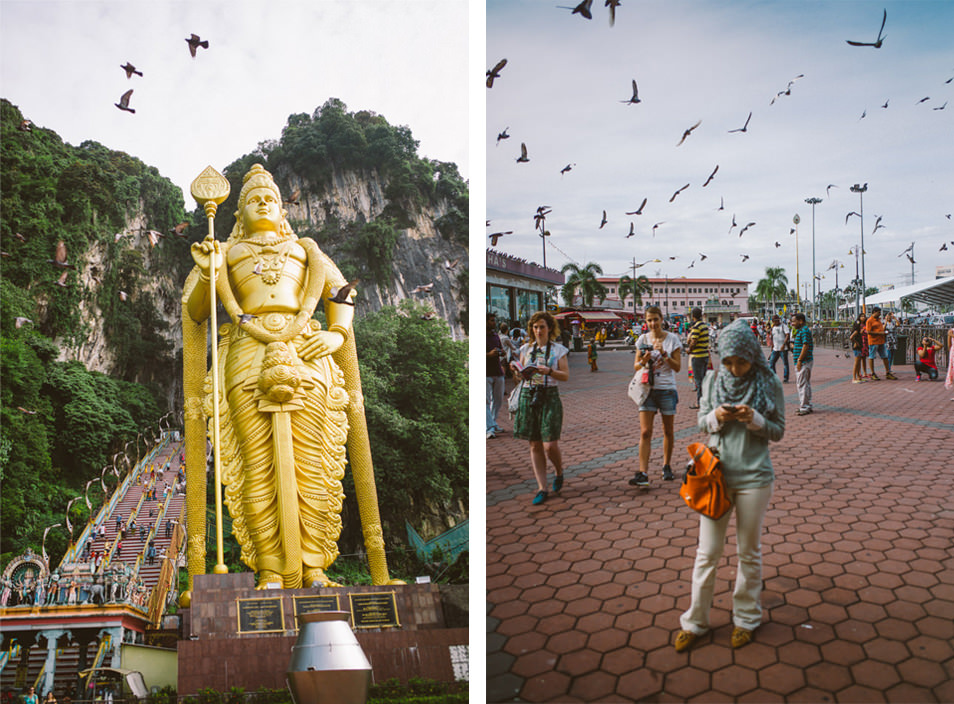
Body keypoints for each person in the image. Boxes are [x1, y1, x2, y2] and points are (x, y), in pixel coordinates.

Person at [185, 163, 395, 589]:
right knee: (256, 462)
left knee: (311, 460)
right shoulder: (224, 253)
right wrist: (209, 271)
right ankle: (269, 570)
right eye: (253, 200)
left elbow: (341, 294)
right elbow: (196, 312)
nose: (263, 203)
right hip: (246, 353)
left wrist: (337, 335)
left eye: (270, 199)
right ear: (238, 214)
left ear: (283, 209)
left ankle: (316, 567)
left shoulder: (305, 250)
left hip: (306, 350)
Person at [675, 319, 785, 652]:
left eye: (741, 361)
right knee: (707, 553)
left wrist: (756, 420)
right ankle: (695, 621)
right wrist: (716, 418)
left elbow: (778, 430)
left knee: (748, 552)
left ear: (752, 354)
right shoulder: (711, 380)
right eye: (728, 361)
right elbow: (701, 420)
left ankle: (747, 618)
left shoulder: (769, 382)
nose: (735, 368)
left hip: (755, 478)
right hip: (717, 477)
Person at [511, 311, 569, 505]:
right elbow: (519, 379)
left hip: (549, 394)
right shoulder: (526, 349)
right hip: (529, 394)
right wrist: (517, 372)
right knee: (534, 443)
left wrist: (549, 371)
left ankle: (559, 471)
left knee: (549, 444)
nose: (538, 331)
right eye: (535, 327)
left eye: (542, 327)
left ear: (549, 328)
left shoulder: (558, 350)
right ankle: (542, 487)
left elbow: (565, 375)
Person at [629, 306, 682, 486]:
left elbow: (677, 367)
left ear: (661, 319)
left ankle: (666, 465)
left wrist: (664, 354)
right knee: (645, 432)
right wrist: (642, 361)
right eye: (649, 320)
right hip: (647, 389)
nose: (653, 323)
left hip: (667, 389)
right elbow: (636, 366)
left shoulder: (673, 339)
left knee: (668, 430)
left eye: (655, 319)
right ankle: (643, 472)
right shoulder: (642, 339)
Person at [486, 313, 506, 439]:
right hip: (485, 373)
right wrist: (488, 354)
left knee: (497, 400)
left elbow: (501, 349)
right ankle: (489, 428)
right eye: (492, 321)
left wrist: (501, 352)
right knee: (485, 401)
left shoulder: (495, 336)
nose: (494, 323)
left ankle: (493, 422)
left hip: (497, 372)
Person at [687, 308, 710, 409]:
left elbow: (693, 341)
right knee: (703, 379)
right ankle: (706, 400)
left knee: (698, 380)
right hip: (705, 355)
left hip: (697, 356)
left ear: (693, 316)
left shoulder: (696, 327)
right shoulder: (705, 325)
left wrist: (689, 350)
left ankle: (700, 402)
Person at [791, 313, 813, 415]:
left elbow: (805, 346)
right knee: (805, 383)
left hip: (803, 362)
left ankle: (804, 406)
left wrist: (799, 360)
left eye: (794, 321)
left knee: (802, 384)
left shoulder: (804, 331)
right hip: (804, 361)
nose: (792, 323)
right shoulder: (802, 330)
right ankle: (807, 405)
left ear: (800, 321)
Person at [865, 307, 896, 380]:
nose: (879, 314)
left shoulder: (878, 320)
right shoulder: (869, 321)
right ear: (874, 312)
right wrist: (879, 333)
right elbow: (868, 332)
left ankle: (888, 372)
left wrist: (883, 333)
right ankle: (873, 373)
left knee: (885, 356)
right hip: (873, 341)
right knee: (872, 356)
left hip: (881, 341)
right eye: (878, 312)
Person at [767, 314, 790, 383]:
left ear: (778, 320)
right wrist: (771, 350)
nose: (774, 322)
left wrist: (784, 344)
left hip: (783, 349)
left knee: (785, 363)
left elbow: (787, 335)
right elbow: (773, 339)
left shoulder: (783, 326)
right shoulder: (773, 328)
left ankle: (786, 378)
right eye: (773, 321)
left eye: (776, 321)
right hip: (775, 349)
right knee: (771, 362)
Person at [849, 312, 866, 383]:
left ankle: (858, 376)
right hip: (856, 346)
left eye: (864, 316)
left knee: (858, 361)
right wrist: (856, 343)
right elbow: (851, 337)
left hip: (859, 345)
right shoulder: (856, 330)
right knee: (856, 362)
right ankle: (854, 378)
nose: (863, 318)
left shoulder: (859, 331)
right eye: (862, 316)